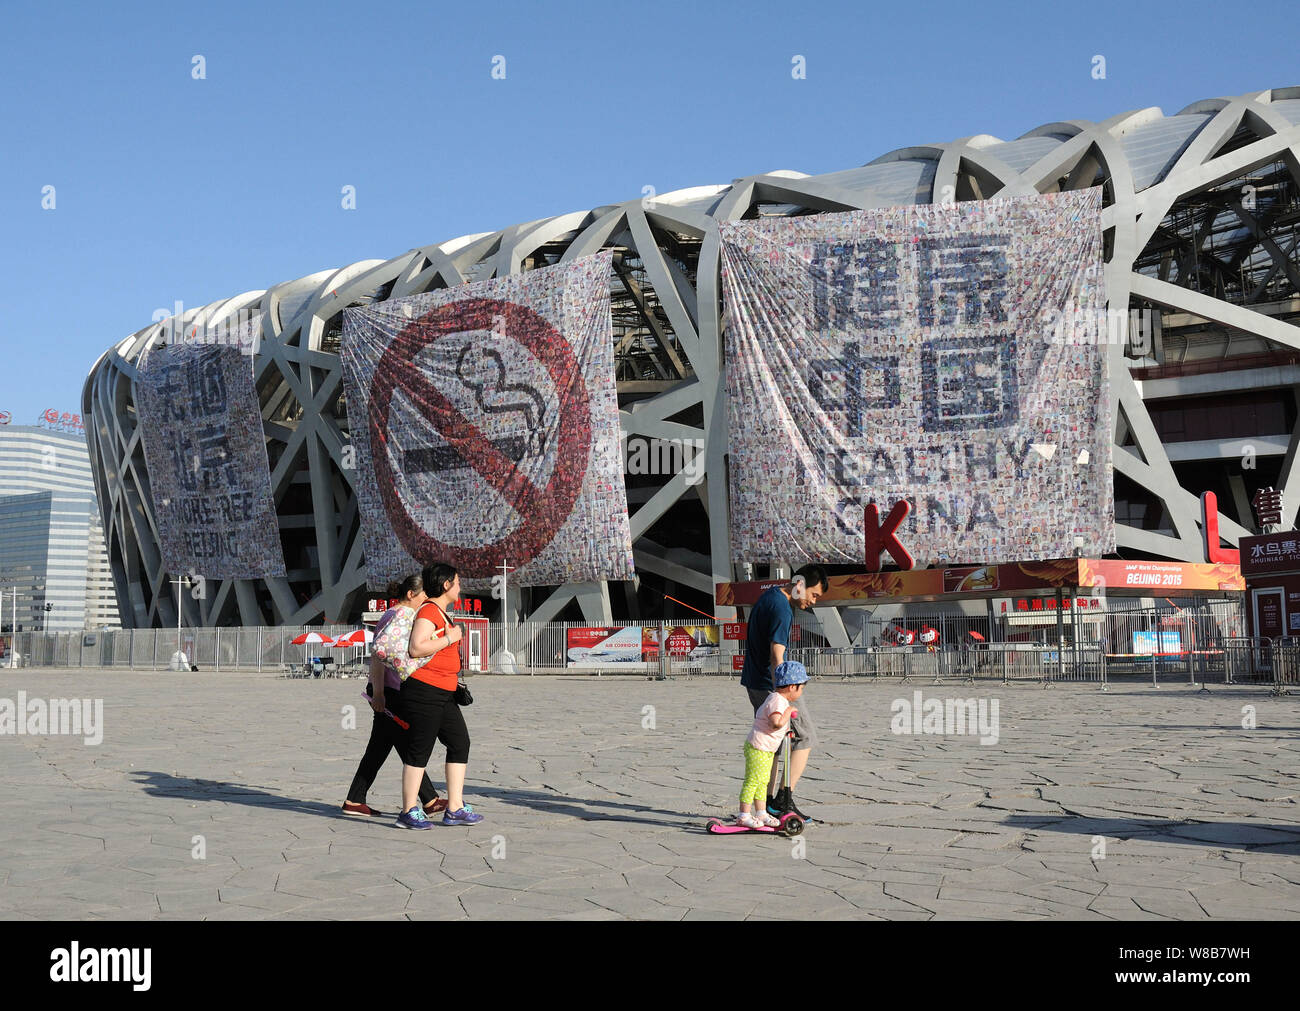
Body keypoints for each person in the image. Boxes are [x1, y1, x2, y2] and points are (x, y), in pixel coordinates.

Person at [341, 574, 444, 817]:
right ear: (411, 594)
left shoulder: (394, 614)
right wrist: (378, 693)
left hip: (388, 690)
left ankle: (355, 800)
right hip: (388, 692)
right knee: (407, 744)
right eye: (424, 596)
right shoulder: (400, 615)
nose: (426, 601)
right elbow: (378, 655)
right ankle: (429, 800)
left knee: (382, 745)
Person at [390, 562, 482, 829]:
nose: (460, 586)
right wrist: (451, 638)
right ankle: (408, 810)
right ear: (446, 585)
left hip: (445, 692)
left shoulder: (441, 612)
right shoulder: (429, 611)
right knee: (420, 750)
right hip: (424, 691)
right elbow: (416, 647)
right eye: (458, 581)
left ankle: (454, 807)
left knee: (459, 742)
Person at [739, 564, 828, 820]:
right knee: (806, 735)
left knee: (772, 742)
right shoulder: (782, 608)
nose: (812, 602)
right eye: (814, 595)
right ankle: (783, 800)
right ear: (800, 585)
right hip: (771, 685)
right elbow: (777, 653)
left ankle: (764, 804)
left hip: (755, 681)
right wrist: (783, 692)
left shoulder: (769, 596)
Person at [735, 661, 807, 828]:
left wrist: (788, 731)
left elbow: (778, 726)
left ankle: (761, 813)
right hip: (758, 747)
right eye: (801, 688)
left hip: (766, 748)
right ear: (792, 687)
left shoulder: (778, 699)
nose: (801, 692)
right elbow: (775, 722)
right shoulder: (778, 701)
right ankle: (743, 814)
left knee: (763, 781)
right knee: (753, 780)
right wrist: (789, 712)